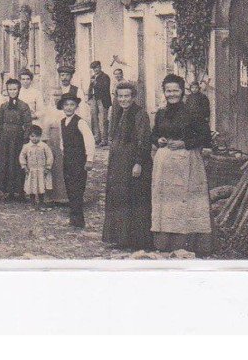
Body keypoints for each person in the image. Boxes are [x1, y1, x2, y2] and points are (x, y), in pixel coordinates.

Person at [151, 73, 213, 256]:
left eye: (175, 90)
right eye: (168, 91)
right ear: (164, 92)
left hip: (187, 163)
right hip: (165, 166)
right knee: (167, 203)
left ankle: (189, 242)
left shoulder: (192, 112)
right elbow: (153, 134)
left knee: (185, 202)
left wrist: (184, 143)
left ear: (182, 91)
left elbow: (205, 136)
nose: (171, 94)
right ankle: (166, 242)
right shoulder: (161, 113)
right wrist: (158, 139)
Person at [102, 80, 153, 250]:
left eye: (127, 96)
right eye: (120, 96)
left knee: (132, 197)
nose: (123, 99)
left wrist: (138, 163)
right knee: (119, 196)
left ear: (133, 97)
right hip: (118, 162)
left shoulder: (140, 114)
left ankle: (133, 239)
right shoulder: (118, 112)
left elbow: (143, 140)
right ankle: (120, 237)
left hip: (132, 161)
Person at [58, 93, 96, 228]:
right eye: (66, 105)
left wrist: (89, 159)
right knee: (69, 187)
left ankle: (78, 220)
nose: (69, 108)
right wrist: (64, 152)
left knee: (77, 189)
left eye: (72, 105)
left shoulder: (80, 122)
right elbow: (62, 141)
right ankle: (73, 218)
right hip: (68, 159)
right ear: (62, 106)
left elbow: (89, 140)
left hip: (79, 160)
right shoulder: (62, 122)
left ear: (76, 107)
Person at [0, 78, 32, 200]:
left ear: (19, 90)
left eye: (15, 89)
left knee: (17, 162)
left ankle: (19, 191)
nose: (12, 92)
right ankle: (8, 191)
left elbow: (28, 123)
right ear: (7, 91)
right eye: (10, 89)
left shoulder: (24, 106)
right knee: (5, 162)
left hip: (18, 137)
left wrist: (26, 138)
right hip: (5, 137)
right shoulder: (3, 106)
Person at [19, 125, 53, 209]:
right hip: (31, 170)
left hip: (42, 170)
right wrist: (24, 166)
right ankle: (32, 203)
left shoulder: (44, 146)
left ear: (40, 136)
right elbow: (22, 156)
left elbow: (50, 156)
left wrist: (48, 167)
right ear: (29, 136)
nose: (34, 138)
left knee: (41, 186)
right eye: (32, 136)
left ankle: (41, 203)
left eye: (37, 136)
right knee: (31, 186)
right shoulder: (26, 146)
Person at [87, 60, 112, 146]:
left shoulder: (105, 77)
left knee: (103, 120)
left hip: (103, 100)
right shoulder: (93, 77)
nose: (95, 70)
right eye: (94, 68)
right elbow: (90, 88)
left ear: (100, 67)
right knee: (94, 119)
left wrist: (95, 83)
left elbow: (105, 88)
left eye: (97, 67)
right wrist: (89, 97)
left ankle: (104, 140)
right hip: (94, 99)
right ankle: (97, 138)